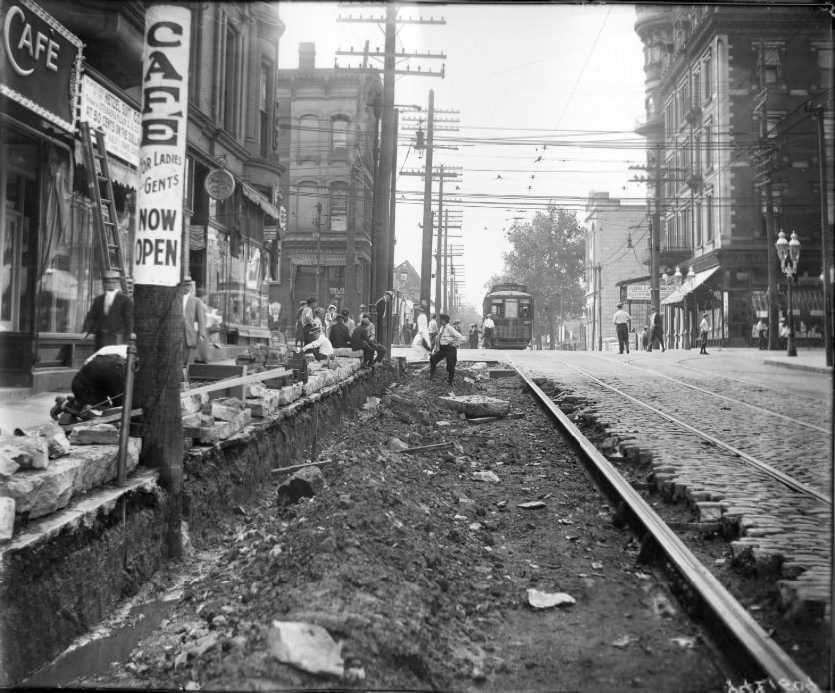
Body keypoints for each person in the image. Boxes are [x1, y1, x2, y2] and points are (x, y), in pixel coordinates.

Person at [50, 344, 130, 422]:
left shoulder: (121, 354)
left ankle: (74, 402)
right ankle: (65, 405)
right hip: (87, 385)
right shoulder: (119, 366)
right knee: (103, 415)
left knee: (107, 410)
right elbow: (119, 400)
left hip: (87, 382)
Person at [82, 270, 134, 352]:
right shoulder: (98, 300)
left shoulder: (125, 300)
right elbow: (91, 316)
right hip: (100, 340)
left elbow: (129, 321)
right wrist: (86, 331)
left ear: (117, 283)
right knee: (99, 361)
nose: (111, 284)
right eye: (108, 282)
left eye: (113, 282)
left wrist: (125, 341)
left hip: (117, 340)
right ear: (104, 283)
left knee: (115, 362)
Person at [429, 313, 467, 386]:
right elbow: (438, 338)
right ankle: (431, 377)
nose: (439, 321)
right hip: (443, 349)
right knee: (433, 359)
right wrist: (436, 348)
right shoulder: (442, 328)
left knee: (450, 366)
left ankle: (450, 382)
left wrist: (455, 344)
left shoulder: (449, 328)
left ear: (444, 320)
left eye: (440, 319)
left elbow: (461, 338)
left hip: (450, 349)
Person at [183, 278, 207, 367]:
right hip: (177, 334)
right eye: (184, 285)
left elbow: (201, 319)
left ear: (190, 287)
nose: (186, 288)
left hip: (190, 334)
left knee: (188, 361)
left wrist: (201, 334)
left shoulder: (196, 301)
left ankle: (185, 378)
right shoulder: (176, 299)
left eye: (188, 285)